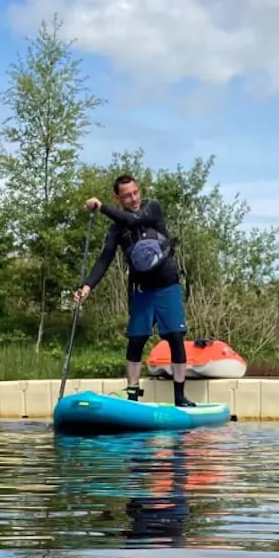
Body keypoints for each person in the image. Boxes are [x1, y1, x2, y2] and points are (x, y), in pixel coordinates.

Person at [73, 174, 196, 407]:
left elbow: (132, 220)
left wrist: (101, 207)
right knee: (136, 340)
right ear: (118, 198)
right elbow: (104, 260)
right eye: (127, 196)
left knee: (175, 338)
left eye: (135, 192)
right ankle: (132, 394)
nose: (133, 198)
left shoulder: (152, 209)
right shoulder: (115, 230)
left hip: (168, 286)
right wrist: (87, 287)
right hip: (142, 291)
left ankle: (180, 397)